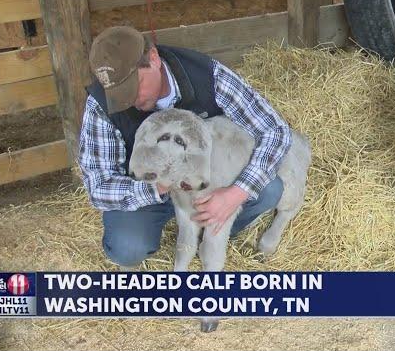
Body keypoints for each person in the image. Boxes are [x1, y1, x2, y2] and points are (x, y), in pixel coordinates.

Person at [78, 26, 292, 268]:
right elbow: (98, 186)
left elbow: (275, 131)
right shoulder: (100, 105)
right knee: (128, 246)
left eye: (133, 86)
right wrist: (157, 186)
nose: (129, 100)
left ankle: (213, 229)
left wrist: (236, 193)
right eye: (119, 93)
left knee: (269, 190)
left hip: (207, 183)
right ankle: (165, 225)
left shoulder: (209, 76)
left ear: (154, 59)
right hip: (148, 191)